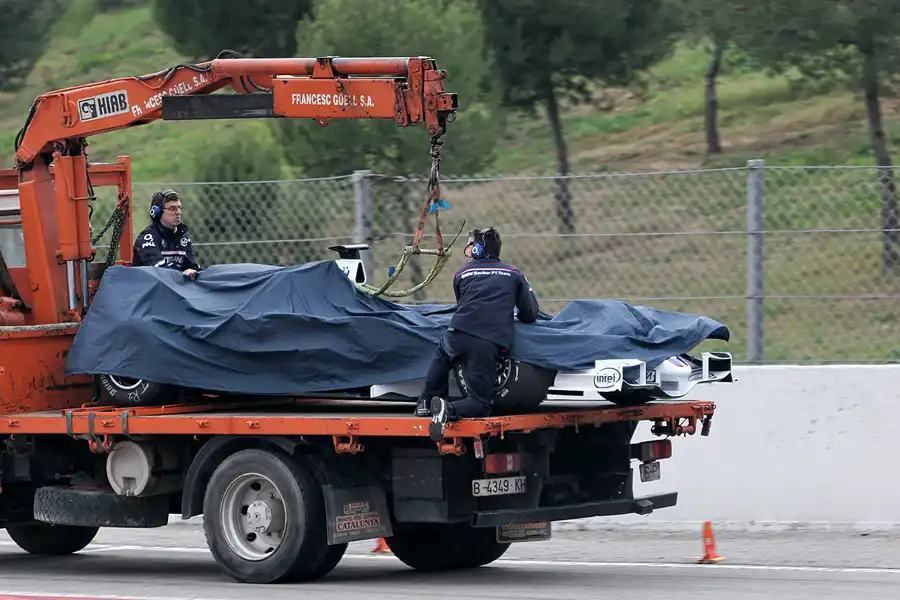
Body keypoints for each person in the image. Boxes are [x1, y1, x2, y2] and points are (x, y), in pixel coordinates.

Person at [414, 226, 540, 442]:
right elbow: (530, 313)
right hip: (486, 342)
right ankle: (448, 409)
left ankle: (426, 401)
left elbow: (462, 304)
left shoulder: (461, 273)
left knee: (443, 353)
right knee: (481, 404)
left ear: (479, 248)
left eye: (471, 244)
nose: (469, 248)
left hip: (456, 333)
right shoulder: (514, 274)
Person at [132, 189, 201, 279]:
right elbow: (160, 271)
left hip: (175, 287)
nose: (178, 212)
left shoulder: (183, 236)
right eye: (172, 209)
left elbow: (191, 266)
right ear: (157, 212)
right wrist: (183, 275)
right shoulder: (147, 238)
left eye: (179, 208)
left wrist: (194, 272)